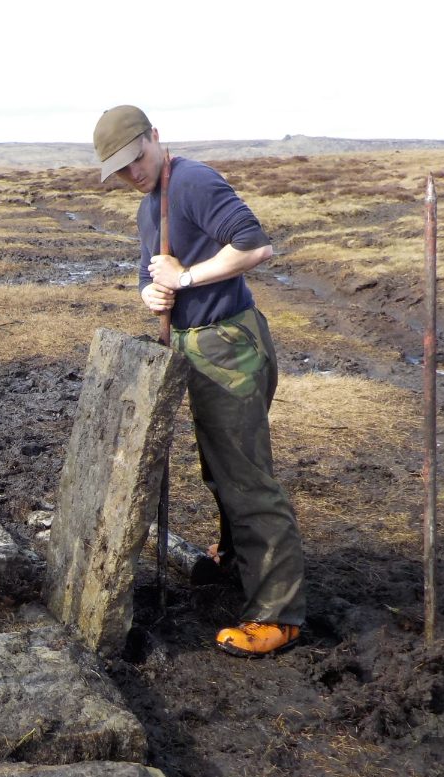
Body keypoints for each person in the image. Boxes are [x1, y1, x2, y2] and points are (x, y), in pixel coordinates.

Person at [93, 105, 306, 657]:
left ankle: (277, 614)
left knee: (245, 475)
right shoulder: (150, 203)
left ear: (156, 138)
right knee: (220, 467)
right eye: (121, 169)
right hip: (195, 343)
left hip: (227, 345)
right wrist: (152, 292)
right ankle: (239, 565)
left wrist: (187, 277)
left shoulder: (190, 180)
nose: (133, 173)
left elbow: (255, 244)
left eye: (137, 158)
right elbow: (150, 271)